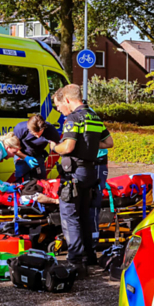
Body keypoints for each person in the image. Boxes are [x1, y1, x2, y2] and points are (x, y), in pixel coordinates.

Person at [52, 84, 114, 276]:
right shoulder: (94, 117)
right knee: (86, 216)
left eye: (60, 105)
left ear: (68, 100)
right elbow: (109, 142)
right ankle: (89, 256)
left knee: (70, 217)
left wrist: (55, 147)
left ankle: (75, 261)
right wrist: (91, 145)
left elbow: (68, 147)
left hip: (73, 174)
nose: (61, 110)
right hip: (90, 173)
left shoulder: (73, 118)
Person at [12, 114, 61, 181]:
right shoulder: (20, 129)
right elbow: (13, 148)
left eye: (39, 133)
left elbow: (57, 145)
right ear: (29, 129)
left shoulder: (50, 130)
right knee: (22, 181)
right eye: (35, 134)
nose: (38, 136)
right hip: (21, 155)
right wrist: (26, 157)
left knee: (40, 181)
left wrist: (54, 146)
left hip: (38, 155)